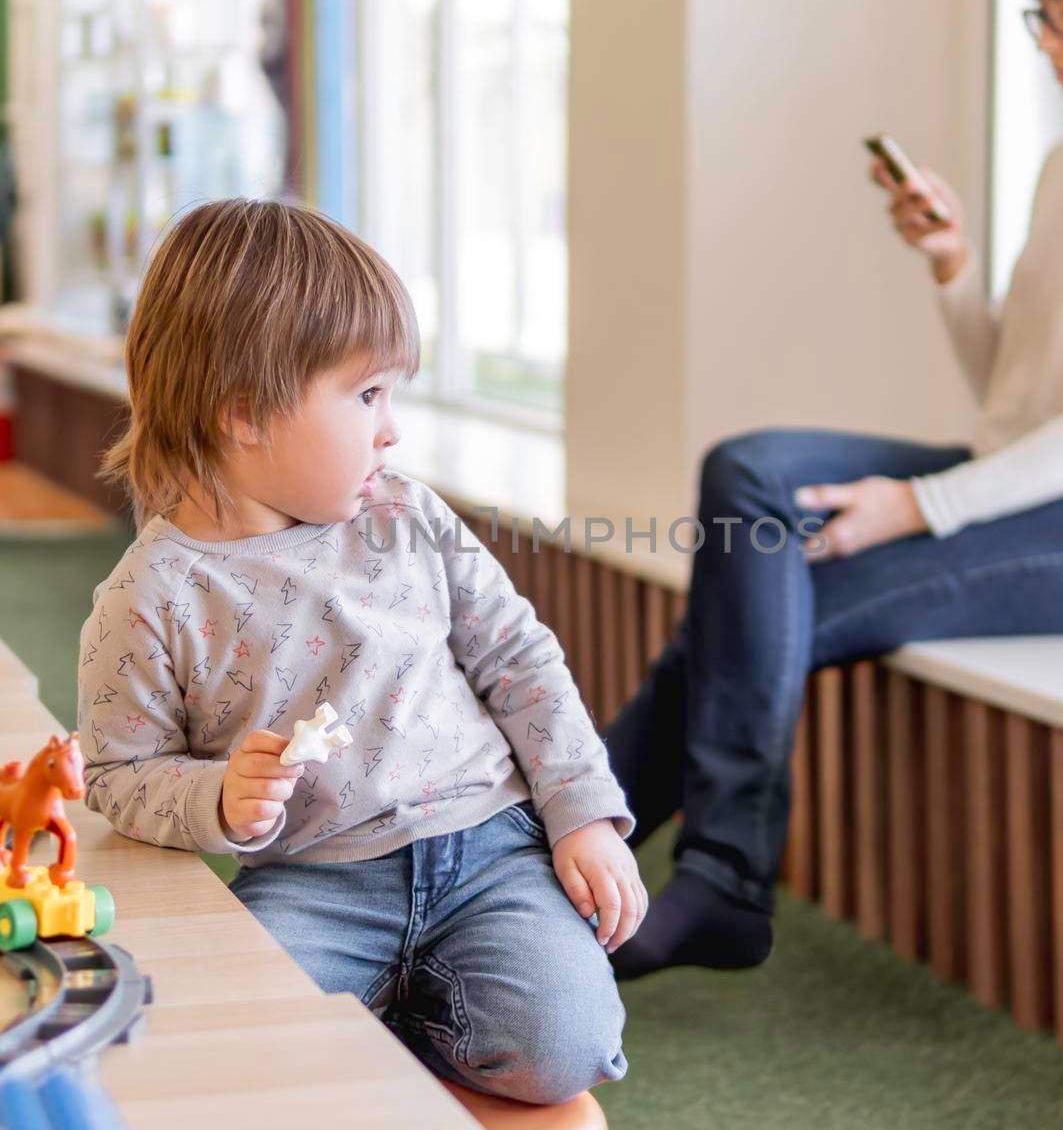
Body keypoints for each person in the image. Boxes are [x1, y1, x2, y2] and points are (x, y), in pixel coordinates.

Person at [603, 0, 1063, 981]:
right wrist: (952, 266)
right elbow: (1012, 388)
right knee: (748, 469)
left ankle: (601, 868)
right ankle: (679, 877)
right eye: (1038, 13)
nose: (1049, 40)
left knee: (735, 627)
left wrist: (921, 505)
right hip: (1019, 475)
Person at [78, 199, 646, 1104]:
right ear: (245, 415)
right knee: (227, 1044)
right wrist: (217, 800)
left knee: (563, 1051)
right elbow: (116, 774)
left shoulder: (407, 516)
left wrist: (581, 810)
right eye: (367, 395)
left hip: (488, 849)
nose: (392, 430)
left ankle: (396, 1015)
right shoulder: (148, 600)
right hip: (313, 879)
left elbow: (521, 661)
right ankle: (382, 1013)